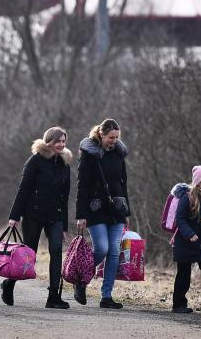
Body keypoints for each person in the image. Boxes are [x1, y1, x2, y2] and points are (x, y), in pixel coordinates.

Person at [1, 127, 72, 308]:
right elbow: (23, 189)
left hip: (55, 215)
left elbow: (65, 196)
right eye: (58, 141)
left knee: (56, 250)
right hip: (33, 213)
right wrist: (14, 216)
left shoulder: (65, 164)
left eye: (63, 141)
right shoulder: (35, 161)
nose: (61, 144)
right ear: (49, 141)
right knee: (28, 254)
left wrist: (64, 225)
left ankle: (53, 297)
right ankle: (9, 284)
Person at [75, 119, 129, 309]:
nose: (113, 141)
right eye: (110, 137)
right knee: (102, 249)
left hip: (117, 209)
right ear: (101, 134)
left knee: (114, 252)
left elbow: (123, 183)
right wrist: (80, 214)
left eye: (116, 137)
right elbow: (82, 186)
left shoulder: (119, 153)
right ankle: (81, 279)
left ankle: (106, 296)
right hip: (95, 208)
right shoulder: (90, 154)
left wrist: (126, 210)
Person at [171, 165, 201, 314]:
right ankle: (178, 304)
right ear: (198, 181)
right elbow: (180, 218)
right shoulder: (187, 196)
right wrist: (189, 234)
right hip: (185, 241)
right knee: (183, 274)